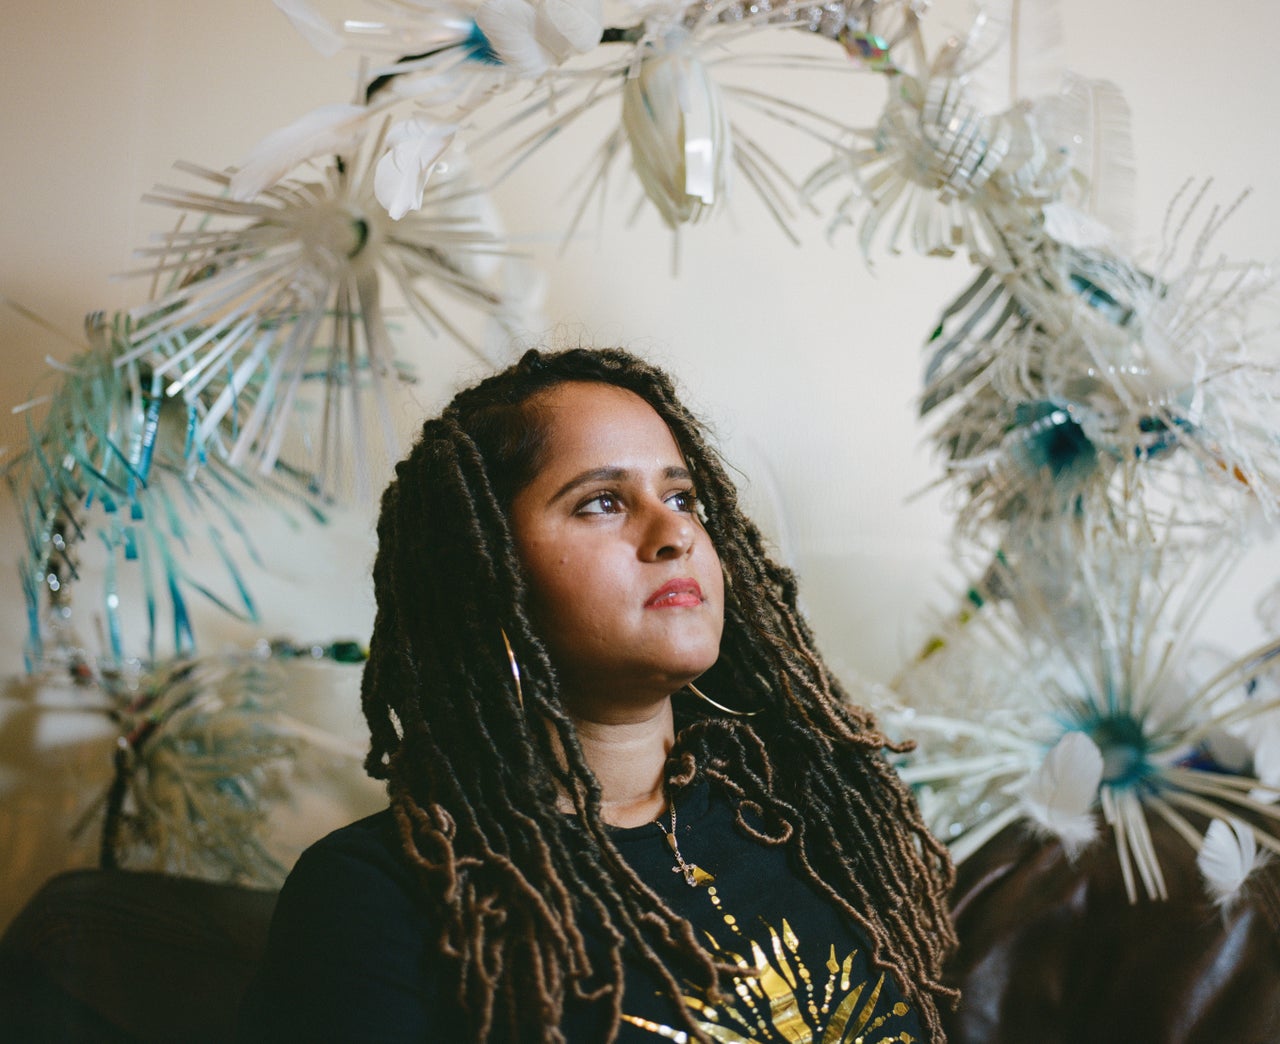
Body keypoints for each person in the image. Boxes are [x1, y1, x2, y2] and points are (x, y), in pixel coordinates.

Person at [240, 347, 957, 1042]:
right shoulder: (383, 896)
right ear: (487, 570)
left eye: (682, 497)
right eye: (602, 502)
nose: (674, 530)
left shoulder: (809, 814)